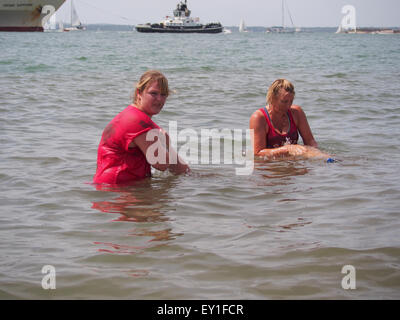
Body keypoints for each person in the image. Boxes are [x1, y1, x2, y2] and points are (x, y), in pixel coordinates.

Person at [93, 70, 190, 185]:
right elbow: (161, 164)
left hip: (117, 188)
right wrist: (166, 144)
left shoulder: (140, 119)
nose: (159, 99)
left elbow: (180, 170)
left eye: (163, 95)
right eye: (153, 93)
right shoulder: (136, 120)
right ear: (139, 93)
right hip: (117, 191)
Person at [250, 79, 324, 159]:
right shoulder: (259, 117)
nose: (288, 106)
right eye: (284, 101)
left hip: (292, 163)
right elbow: (257, 153)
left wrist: (317, 155)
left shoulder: (297, 113)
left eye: (291, 101)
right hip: (269, 167)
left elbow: (311, 142)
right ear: (272, 98)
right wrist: (287, 149)